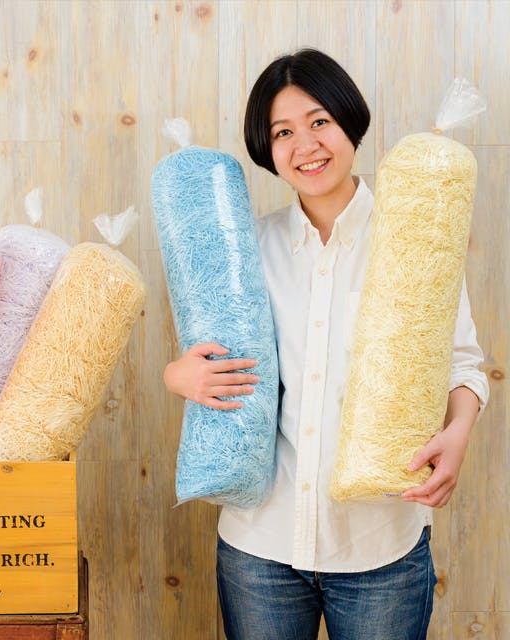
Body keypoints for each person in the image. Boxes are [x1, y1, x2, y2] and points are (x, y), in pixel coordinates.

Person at [163, 48, 489, 640]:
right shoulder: (249, 249)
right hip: (260, 545)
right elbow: (205, 355)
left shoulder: (415, 237)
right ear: (267, 149)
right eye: (282, 132)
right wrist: (176, 376)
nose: (305, 145)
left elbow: (463, 362)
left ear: (349, 123)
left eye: (319, 121)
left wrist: (459, 431)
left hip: (380, 545)